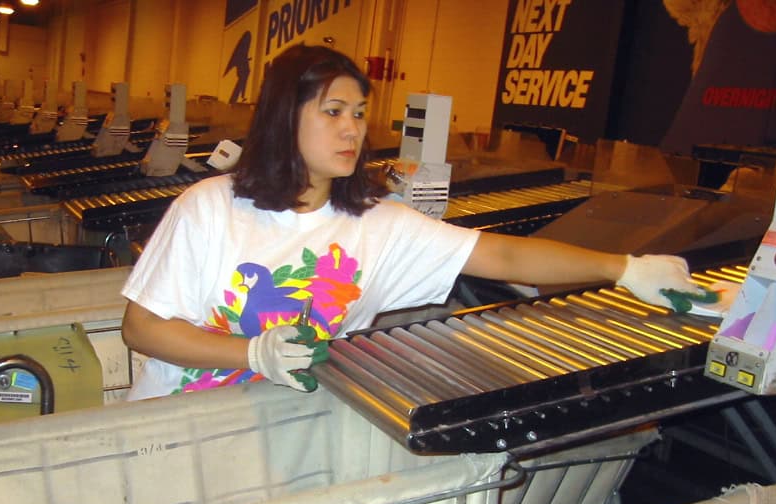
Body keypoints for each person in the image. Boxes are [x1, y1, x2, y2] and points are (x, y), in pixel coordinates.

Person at [120, 44, 705, 399]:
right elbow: (141, 329)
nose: (352, 129)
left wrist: (624, 267)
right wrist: (250, 355)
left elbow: (500, 256)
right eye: (332, 112)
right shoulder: (209, 207)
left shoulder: (378, 224)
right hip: (178, 427)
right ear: (283, 117)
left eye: (358, 113)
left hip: (283, 431)